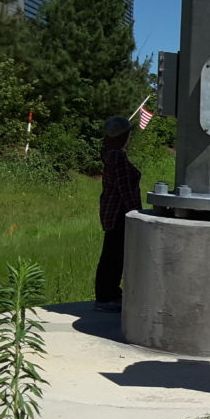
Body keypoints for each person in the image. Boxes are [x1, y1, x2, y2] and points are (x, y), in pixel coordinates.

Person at [94, 115, 141, 313]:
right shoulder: (117, 158)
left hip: (111, 211)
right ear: (123, 136)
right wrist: (136, 214)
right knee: (113, 255)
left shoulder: (109, 154)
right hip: (119, 213)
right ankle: (106, 296)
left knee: (113, 253)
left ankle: (109, 293)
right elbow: (126, 189)